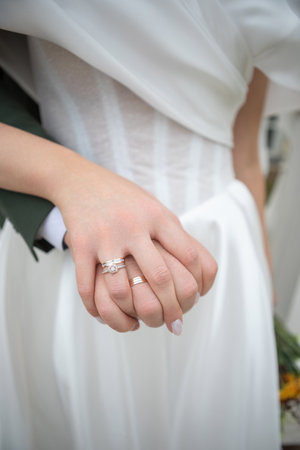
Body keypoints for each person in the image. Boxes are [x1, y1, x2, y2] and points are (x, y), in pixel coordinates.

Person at [0, 1, 299, 449]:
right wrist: (72, 179)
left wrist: (263, 286)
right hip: (82, 250)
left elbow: (246, 151)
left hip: (228, 252)